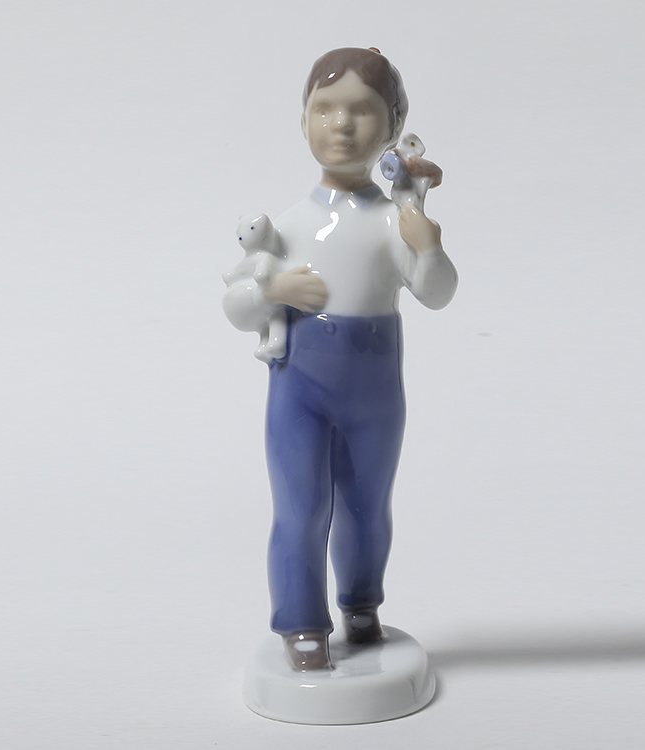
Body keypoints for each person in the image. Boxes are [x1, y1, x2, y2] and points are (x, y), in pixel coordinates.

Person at [223, 47, 457, 670]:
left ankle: (361, 601)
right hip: (298, 388)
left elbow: (436, 293)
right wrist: (272, 290)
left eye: (361, 110)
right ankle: (300, 620)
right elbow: (236, 303)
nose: (342, 124)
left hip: (373, 388)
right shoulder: (287, 226)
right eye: (325, 109)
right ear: (303, 121)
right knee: (299, 507)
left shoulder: (391, 223)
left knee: (365, 506)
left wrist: (427, 245)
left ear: (392, 126)